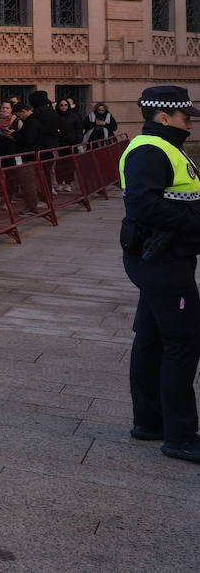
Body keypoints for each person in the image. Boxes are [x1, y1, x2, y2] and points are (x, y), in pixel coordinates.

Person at [118, 85, 200, 462]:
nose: (190, 124)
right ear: (164, 117)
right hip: (163, 259)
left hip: (166, 257)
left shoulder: (165, 148)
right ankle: (181, 436)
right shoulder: (150, 151)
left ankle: (149, 422)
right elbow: (144, 206)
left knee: (151, 339)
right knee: (182, 342)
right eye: (186, 118)